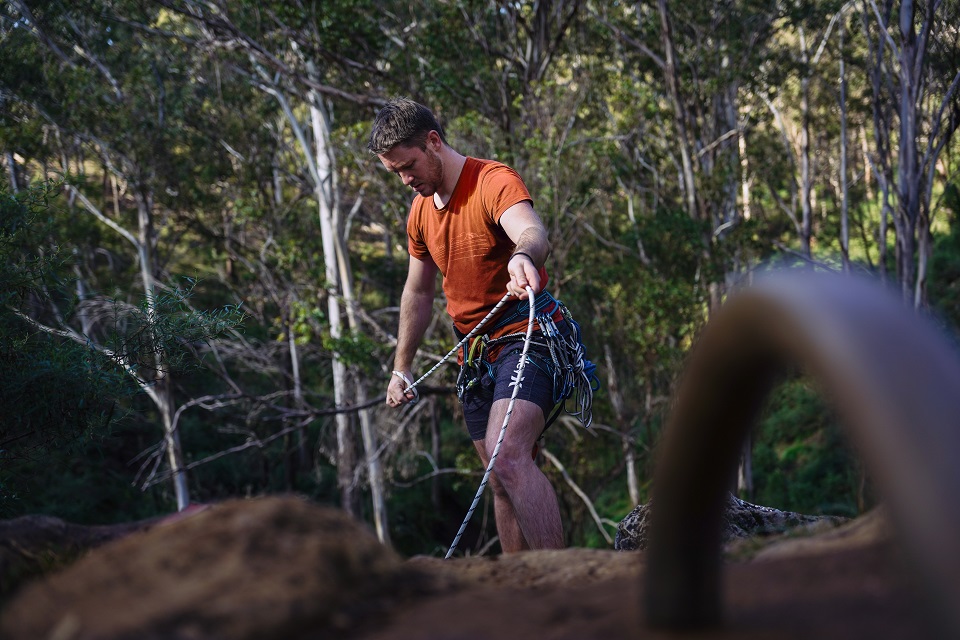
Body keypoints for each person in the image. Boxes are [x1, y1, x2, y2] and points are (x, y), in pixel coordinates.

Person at [371, 97, 576, 553]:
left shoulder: (491, 181)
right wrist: (401, 366)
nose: (405, 180)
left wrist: (523, 255)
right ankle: (518, 594)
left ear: (433, 141)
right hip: (473, 354)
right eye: (395, 173)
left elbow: (531, 231)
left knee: (508, 458)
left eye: (409, 166)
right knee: (499, 480)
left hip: (528, 335)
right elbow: (418, 292)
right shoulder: (420, 213)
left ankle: (563, 585)